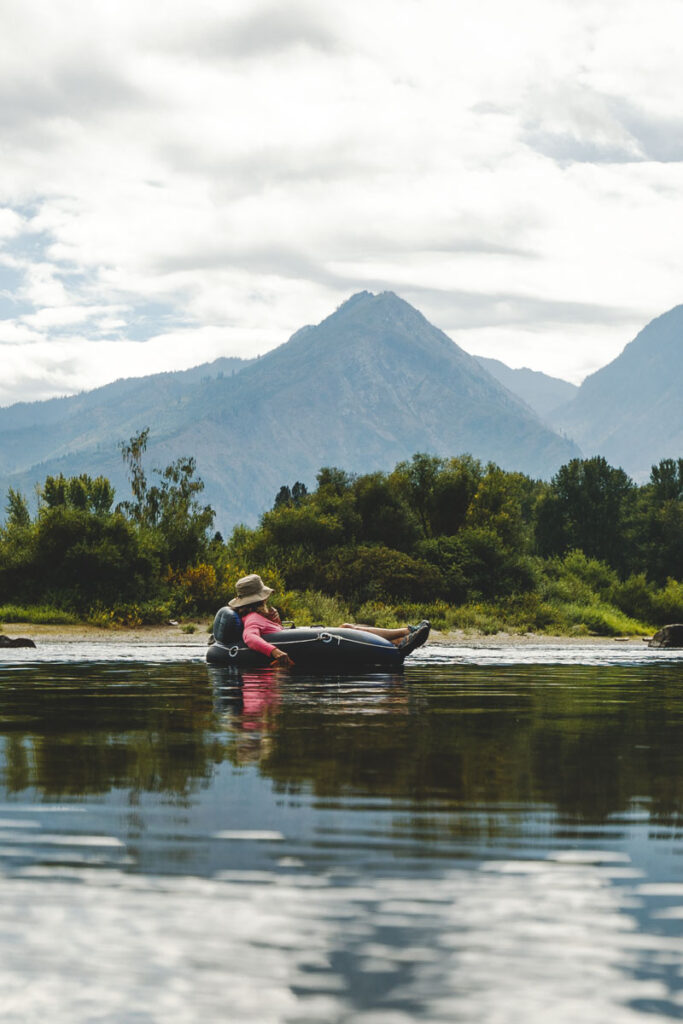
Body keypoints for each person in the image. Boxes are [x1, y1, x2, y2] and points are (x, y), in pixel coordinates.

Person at [228, 574, 430, 666]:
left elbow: (275, 633)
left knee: (346, 627)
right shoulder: (253, 618)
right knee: (346, 627)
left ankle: (401, 638)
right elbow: (250, 638)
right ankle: (402, 636)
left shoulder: (261, 616)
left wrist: (277, 622)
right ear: (260, 598)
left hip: (296, 644)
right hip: (293, 651)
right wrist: (276, 652)